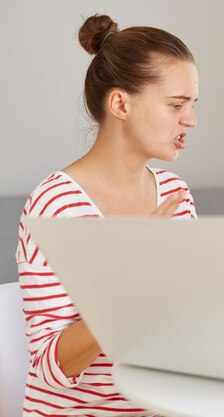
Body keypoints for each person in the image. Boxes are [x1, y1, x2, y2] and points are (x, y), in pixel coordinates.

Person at [15, 14, 198, 416]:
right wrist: (130, 278)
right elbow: (52, 367)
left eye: (192, 105)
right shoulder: (56, 206)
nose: (191, 120)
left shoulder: (175, 196)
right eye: (176, 105)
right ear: (120, 103)